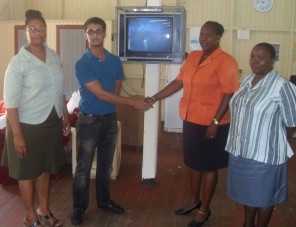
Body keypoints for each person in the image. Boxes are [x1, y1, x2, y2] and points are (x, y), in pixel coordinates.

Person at [145, 21, 239, 227]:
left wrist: (215, 121)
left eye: (209, 35)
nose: (204, 38)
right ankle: (194, 201)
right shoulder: (194, 57)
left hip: (213, 123)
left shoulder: (226, 61)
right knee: (193, 163)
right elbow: (178, 82)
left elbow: (228, 93)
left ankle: (205, 209)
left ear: (218, 37)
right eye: (202, 34)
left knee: (209, 166)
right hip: (191, 119)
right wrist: (154, 98)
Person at [71, 17, 150, 225]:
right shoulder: (82, 63)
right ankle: (79, 207)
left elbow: (115, 89)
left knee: (106, 166)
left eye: (99, 30)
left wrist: (116, 103)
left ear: (105, 34)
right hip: (88, 122)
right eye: (91, 31)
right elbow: (103, 95)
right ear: (85, 35)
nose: (95, 34)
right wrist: (134, 103)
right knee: (83, 168)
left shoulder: (115, 61)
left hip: (109, 121)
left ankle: (104, 201)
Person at [2, 10, 69, 227]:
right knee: (27, 171)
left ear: (45, 31)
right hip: (27, 125)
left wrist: (65, 116)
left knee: (45, 168)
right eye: (33, 28)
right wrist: (18, 135)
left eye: (41, 28)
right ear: (25, 32)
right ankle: (30, 214)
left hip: (51, 121)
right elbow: (10, 102)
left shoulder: (53, 56)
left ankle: (44, 209)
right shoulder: (18, 63)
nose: (38, 32)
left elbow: (59, 89)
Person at [225, 43, 296, 227]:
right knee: (248, 194)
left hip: (264, 155)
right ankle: (248, 223)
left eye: (261, 57)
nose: (255, 61)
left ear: (272, 60)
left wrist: (274, 138)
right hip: (240, 150)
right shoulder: (245, 82)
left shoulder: (282, 86)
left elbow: (293, 121)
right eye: (252, 56)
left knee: (265, 196)